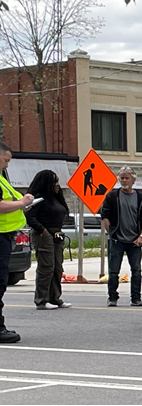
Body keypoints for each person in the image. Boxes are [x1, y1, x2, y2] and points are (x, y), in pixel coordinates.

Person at [0, 142, 35, 343]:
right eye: (6, 160)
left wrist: (21, 204)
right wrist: (21, 203)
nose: (7, 165)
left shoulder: (2, 178)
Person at [100, 166, 142, 307]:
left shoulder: (141, 198)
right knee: (113, 271)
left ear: (133, 179)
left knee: (136, 270)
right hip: (117, 240)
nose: (124, 180)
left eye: (127, 177)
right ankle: (112, 297)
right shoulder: (112, 196)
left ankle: (136, 298)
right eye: (122, 178)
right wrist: (111, 233)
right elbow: (105, 216)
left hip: (135, 241)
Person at [25, 170, 72, 310]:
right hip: (43, 235)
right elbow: (30, 217)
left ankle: (55, 298)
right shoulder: (39, 198)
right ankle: (41, 300)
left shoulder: (56, 198)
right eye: (54, 182)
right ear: (46, 184)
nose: (57, 185)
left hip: (57, 235)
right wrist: (43, 231)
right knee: (46, 268)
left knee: (57, 268)